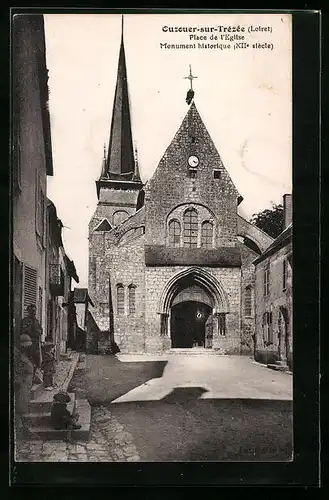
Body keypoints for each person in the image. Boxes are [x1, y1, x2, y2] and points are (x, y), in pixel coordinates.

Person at [15, 334, 35, 438]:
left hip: (26, 382)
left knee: (24, 404)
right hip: (21, 383)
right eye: (26, 345)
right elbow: (17, 370)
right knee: (21, 406)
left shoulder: (24, 353)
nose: (27, 347)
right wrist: (19, 380)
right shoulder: (17, 354)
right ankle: (23, 429)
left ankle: (24, 428)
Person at [20, 304, 43, 384]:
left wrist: (38, 332)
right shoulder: (25, 321)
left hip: (36, 344)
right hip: (29, 344)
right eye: (32, 311)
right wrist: (33, 331)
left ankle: (34, 377)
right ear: (28, 311)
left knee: (37, 361)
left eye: (34, 311)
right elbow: (24, 331)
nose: (33, 312)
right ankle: (29, 379)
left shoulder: (36, 321)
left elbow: (40, 330)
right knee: (29, 360)